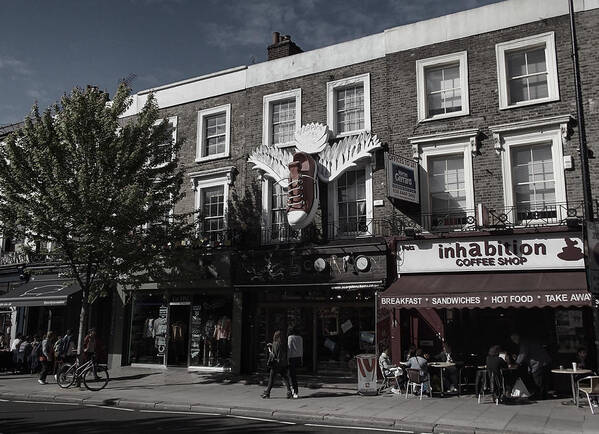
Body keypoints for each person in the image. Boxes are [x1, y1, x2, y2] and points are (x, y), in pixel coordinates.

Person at [511, 333, 551, 400]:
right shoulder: (527, 342)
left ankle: (540, 395)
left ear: (518, 337)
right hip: (542, 361)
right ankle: (543, 394)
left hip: (538, 362)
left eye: (514, 339)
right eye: (512, 339)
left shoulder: (524, 343)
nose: (514, 341)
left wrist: (516, 363)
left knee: (538, 380)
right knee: (541, 379)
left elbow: (523, 354)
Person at [261, 330, 292, 399]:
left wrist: (269, 349)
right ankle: (289, 392)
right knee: (285, 378)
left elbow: (273, 354)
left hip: (276, 364)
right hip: (282, 364)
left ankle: (267, 393)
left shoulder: (275, 343)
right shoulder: (282, 344)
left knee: (271, 379)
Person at [287, 326, 303, 399]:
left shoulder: (290, 337)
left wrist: (287, 358)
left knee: (292, 375)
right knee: (294, 375)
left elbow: (289, 348)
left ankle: (294, 391)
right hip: (298, 357)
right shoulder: (300, 338)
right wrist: (301, 358)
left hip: (292, 358)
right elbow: (301, 349)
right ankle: (293, 390)